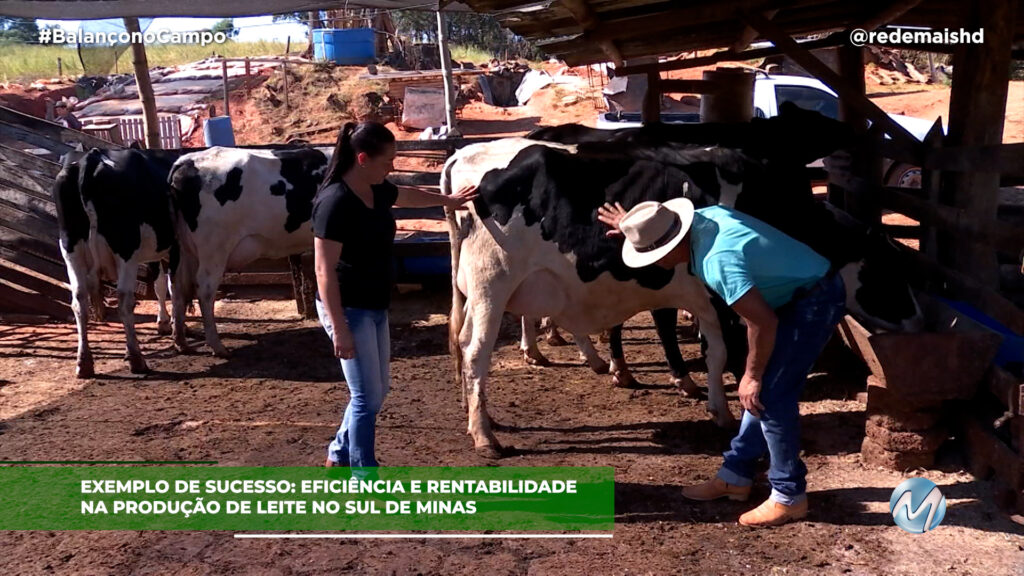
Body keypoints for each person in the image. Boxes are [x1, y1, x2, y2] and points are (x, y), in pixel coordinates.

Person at [597, 199, 846, 527]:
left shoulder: (717, 260)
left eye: (651, 255)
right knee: (762, 395)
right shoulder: (703, 219)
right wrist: (635, 229)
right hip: (797, 291)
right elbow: (661, 224)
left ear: (670, 247)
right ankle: (736, 475)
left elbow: (763, 323)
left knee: (769, 395)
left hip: (812, 300)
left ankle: (789, 497)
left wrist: (752, 375)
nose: (653, 264)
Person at [312, 121, 476, 470]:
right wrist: (339, 328)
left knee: (377, 391)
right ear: (362, 158)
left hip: (374, 304)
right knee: (365, 397)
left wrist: (448, 200)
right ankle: (363, 473)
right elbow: (324, 271)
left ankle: (339, 453)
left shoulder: (375, 189)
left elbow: (405, 194)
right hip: (348, 308)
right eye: (387, 160)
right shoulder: (334, 203)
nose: (392, 167)